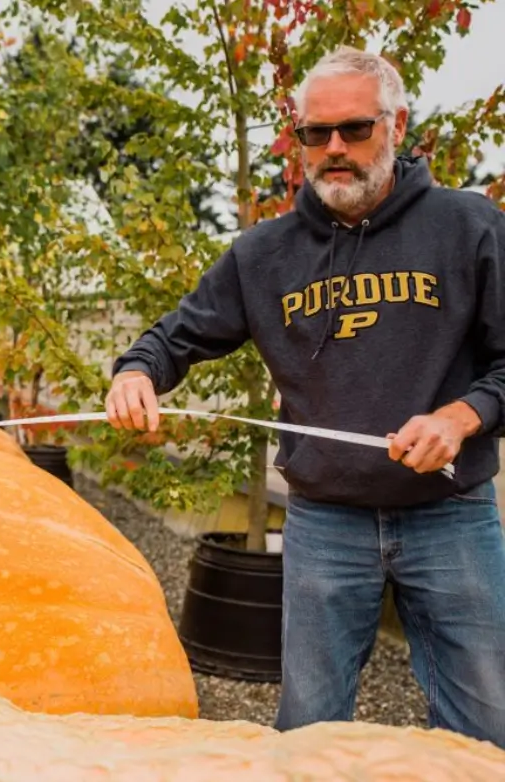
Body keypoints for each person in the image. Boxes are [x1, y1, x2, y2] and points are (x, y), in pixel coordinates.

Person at [105, 46, 505, 749]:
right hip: (324, 524)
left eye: (354, 129)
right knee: (307, 731)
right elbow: (174, 337)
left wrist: (463, 415)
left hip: (452, 517)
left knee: (487, 725)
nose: (335, 150)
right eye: (315, 135)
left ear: (398, 124)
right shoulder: (263, 255)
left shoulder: (469, 228)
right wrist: (136, 371)